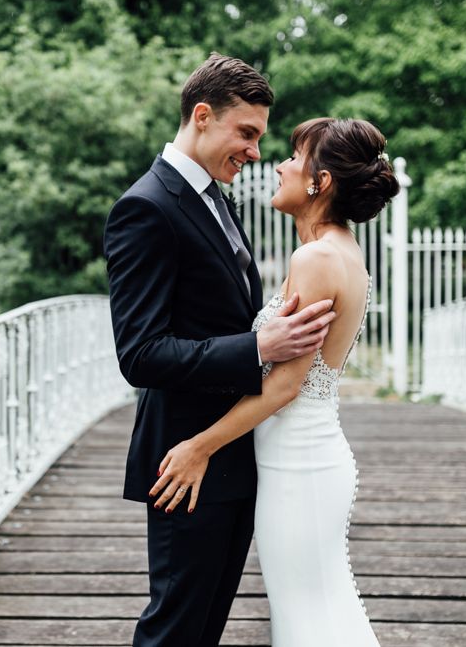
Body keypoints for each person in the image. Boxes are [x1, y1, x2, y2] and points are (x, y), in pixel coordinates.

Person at [103, 54, 337, 647]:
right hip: (184, 461)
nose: (256, 151)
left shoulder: (215, 197)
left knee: (203, 631)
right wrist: (257, 346)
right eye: (247, 133)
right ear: (202, 116)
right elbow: (141, 353)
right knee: (174, 631)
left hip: (231, 457)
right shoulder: (146, 208)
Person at [149, 117, 400, 646]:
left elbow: (286, 386)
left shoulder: (316, 258)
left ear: (321, 181)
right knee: (316, 608)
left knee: (311, 616)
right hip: (302, 458)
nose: (278, 165)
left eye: (293, 156)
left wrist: (199, 446)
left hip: (300, 465)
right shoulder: (338, 250)